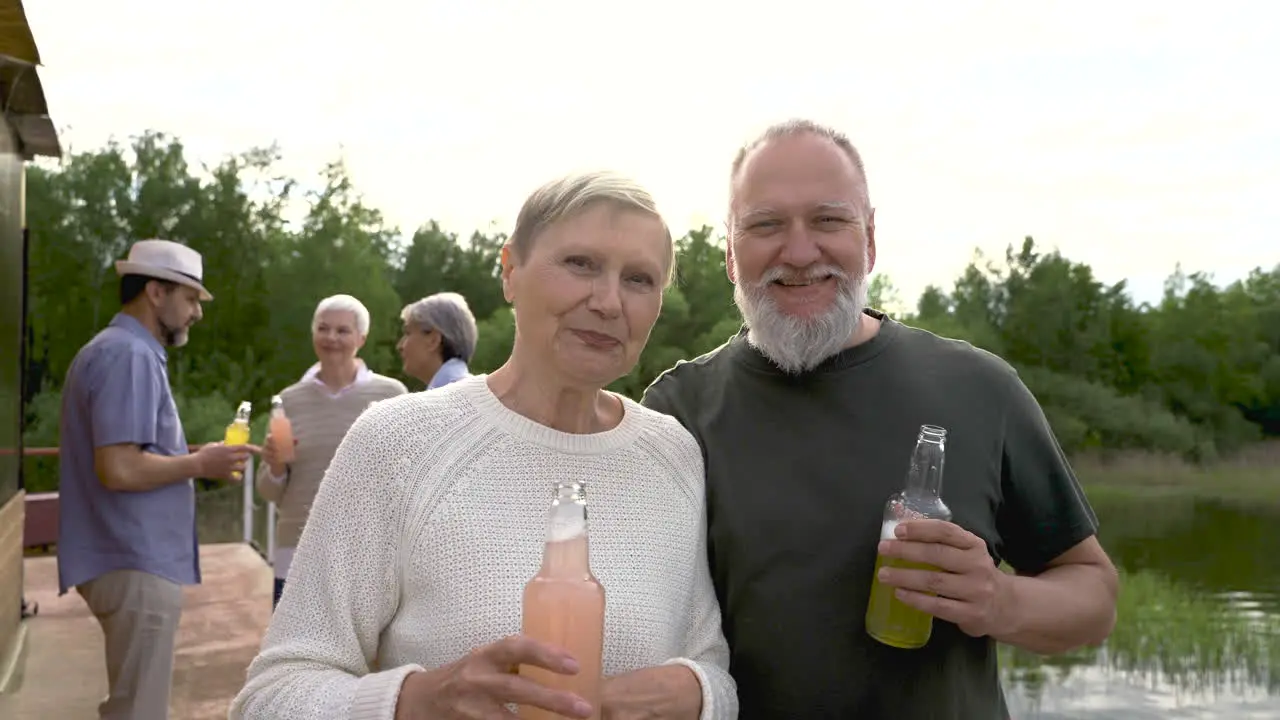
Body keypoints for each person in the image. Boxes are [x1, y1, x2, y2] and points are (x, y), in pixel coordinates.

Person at [640, 120, 1120, 719]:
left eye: (828, 220)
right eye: (765, 225)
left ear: (869, 239)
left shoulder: (981, 389)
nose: (798, 252)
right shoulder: (674, 414)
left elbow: (1093, 595)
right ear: (730, 254)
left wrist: (999, 600)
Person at [230, 171, 737, 720]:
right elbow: (271, 695)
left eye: (640, 279)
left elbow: (711, 664)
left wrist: (699, 694)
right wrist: (416, 702)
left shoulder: (674, 456)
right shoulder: (397, 444)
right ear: (511, 271)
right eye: (580, 264)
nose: (609, 301)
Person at [57, 239, 258, 720]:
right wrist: (199, 464)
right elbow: (119, 467)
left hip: (125, 559)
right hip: (133, 562)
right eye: (189, 299)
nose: (197, 313)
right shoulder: (129, 355)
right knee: (139, 712)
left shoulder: (117, 350)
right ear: (154, 292)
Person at [256, 294, 408, 609]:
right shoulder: (288, 400)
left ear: (361, 338)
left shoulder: (392, 395)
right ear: (313, 335)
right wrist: (275, 468)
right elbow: (269, 491)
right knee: (292, 653)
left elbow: (407, 479)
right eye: (323, 329)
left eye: (342, 331)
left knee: (366, 656)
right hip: (298, 551)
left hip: (367, 554)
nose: (331, 338)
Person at [397, 291, 478, 388]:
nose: (400, 346)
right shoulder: (476, 391)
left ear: (433, 340)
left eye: (408, 333)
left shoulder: (448, 396)